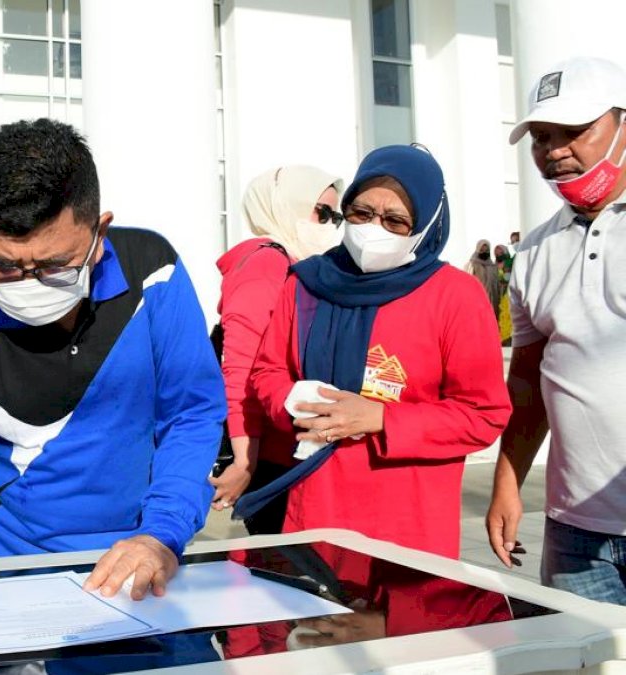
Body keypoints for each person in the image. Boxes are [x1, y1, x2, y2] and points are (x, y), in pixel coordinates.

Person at [0, 118, 224, 600]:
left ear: (99, 233)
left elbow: (190, 414)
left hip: (143, 564)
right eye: (4, 265)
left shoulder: (151, 271)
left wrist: (162, 533)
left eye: (54, 266)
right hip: (15, 572)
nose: (29, 283)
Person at [238, 144, 511, 558]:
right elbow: (267, 371)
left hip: (407, 528)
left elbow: (483, 414)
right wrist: (293, 401)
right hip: (314, 513)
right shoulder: (308, 283)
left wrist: (381, 419)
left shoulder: (455, 296)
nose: (373, 228)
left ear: (426, 224)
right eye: (361, 213)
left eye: (395, 220)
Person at [486, 57, 626, 604]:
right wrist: (507, 483)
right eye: (542, 137)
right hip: (575, 533)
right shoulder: (533, 251)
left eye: (575, 130)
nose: (556, 151)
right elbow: (528, 383)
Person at [209, 165, 345, 536]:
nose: (331, 224)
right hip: (271, 455)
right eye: (322, 212)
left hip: (291, 447)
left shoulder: (300, 265)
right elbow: (240, 366)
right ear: (287, 205)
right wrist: (245, 461)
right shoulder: (267, 262)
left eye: (336, 216)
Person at [465, 239, 502, 317]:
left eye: (486, 250)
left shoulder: (493, 266)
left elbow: (497, 285)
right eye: (481, 250)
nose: (484, 252)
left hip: (493, 302)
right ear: (477, 250)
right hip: (478, 302)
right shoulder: (472, 265)